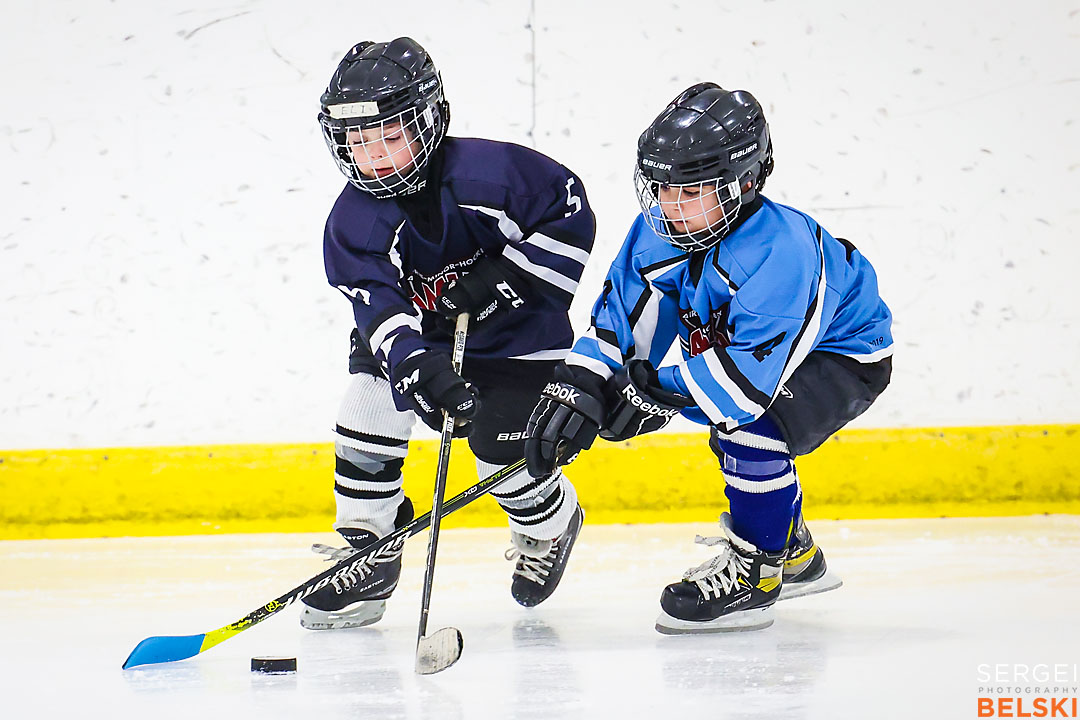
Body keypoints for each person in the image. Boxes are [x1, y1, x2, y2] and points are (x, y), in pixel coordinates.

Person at [524, 82, 893, 634]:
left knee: (748, 431)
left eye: (692, 191)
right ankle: (795, 555)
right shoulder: (663, 230)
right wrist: (580, 384)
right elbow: (622, 322)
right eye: (662, 188)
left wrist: (651, 393)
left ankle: (760, 569)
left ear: (745, 182)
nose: (670, 207)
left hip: (842, 354)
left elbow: (742, 388)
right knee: (731, 421)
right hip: (751, 355)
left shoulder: (781, 254)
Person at [301, 37, 596, 630]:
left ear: (430, 120)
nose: (375, 158)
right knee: (367, 405)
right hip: (427, 332)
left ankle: (550, 521)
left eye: (389, 135)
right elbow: (377, 308)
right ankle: (369, 547)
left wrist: (504, 278)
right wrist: (415, 363)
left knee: (501, 455)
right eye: (358, 142)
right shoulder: (354, 220)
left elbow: (570, 211)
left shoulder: (495, 175)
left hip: (519, 333)